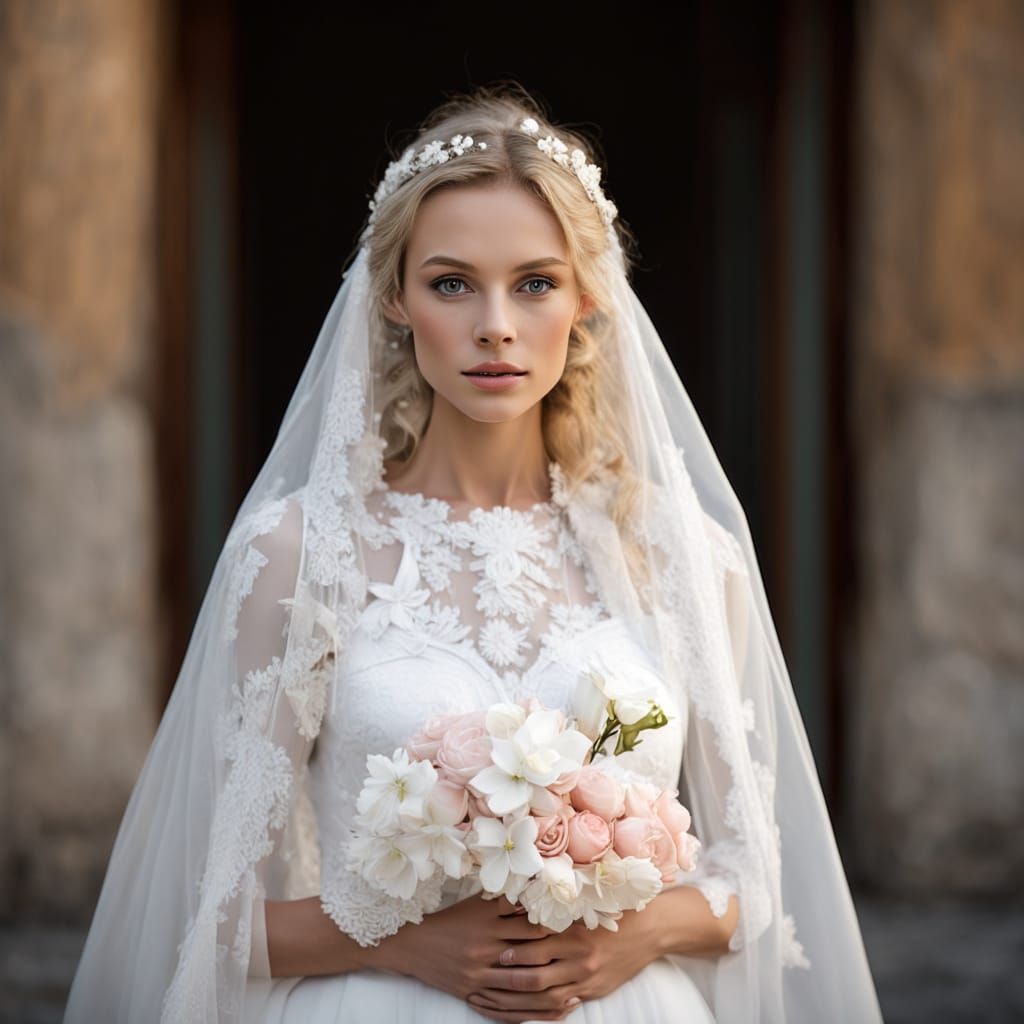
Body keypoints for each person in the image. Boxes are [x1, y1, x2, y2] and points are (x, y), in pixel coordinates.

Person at [63, 83, 883, 1023]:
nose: (496, 322)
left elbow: (761, 884)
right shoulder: (302, 555)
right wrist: (405, 941)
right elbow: (199, 920)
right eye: (452, 282)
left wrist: (640, 931)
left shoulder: (682, 558)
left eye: (534, 282)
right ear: (398, 301)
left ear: (584, 299)